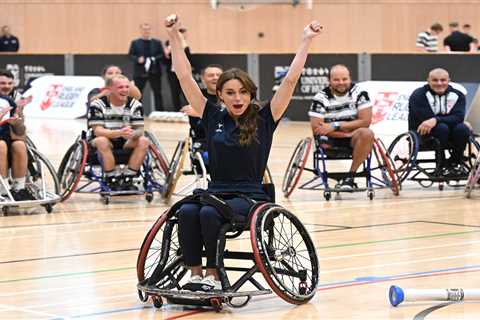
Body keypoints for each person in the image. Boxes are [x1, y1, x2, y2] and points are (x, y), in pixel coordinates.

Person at [165, 13, 322, 291]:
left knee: (208, 215)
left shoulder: (265, 117)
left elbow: (289, 81)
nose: (237, 98)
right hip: (216, 191)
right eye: (230, 93)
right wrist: (175, 35)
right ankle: (196, 276)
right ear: (220, 96)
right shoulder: (212, 116)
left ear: (250, 95)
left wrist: (305, 40)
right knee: (188, 211)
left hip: (250, 197)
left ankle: (213, 277)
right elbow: (183, 75)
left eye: (243, 93)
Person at [308, 64, 374, 190]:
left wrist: (335, 125)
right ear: (329, 81)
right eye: (336, 80)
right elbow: (317, 129)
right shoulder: (320, 98)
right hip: (331, 139)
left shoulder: (360, 93)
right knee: (323, 139)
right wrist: (345, 132)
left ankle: (350, 177)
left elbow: (365, 121)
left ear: (350, 79)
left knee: (367, 134)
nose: (341, 83)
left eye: (344, 79)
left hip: (353, 138)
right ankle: (347, 178)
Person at [88, 74, 150, 190]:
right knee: (102, 141)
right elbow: (98, 131)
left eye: (127, 87)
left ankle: (128, 177)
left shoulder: (135, 104)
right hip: (105, 139)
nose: (125, 90)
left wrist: (133, 134)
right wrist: (118, 133)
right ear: (110, 89)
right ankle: (112, 178)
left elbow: (139, 130)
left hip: (127, 140)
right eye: (120, 87)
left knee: (144, 140)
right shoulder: (97, 104)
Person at [408, 68, 470, 176]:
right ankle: (440, 164)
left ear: (448, 80)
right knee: (441, 128)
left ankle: (455, 162)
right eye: (435, 80)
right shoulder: (418, 95)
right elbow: (425, 119)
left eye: (443, 80)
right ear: (428, 81)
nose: (439, 83)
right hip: (423, 133)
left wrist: (436, 119)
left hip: (450, 132)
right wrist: (441, 120)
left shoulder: (458, 95)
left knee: (462, 128)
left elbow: (459, 117)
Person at [0, 94, 33, 200]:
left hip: (5, 147)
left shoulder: (7, 101)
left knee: (19, 144)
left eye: (9, 83)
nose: (6, 86)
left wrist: (18, 124)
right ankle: (3, 189)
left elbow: (21, 135)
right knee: (1, 145)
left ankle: (19, 189)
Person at [128, 23, 165, 111]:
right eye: (144, 29)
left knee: (157, 93)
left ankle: (160, 112)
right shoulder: (135, 42)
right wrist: (137, 59)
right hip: (140, 72)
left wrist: (153, 59)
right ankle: (137, 112)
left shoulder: (157, 42)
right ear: (140, 30)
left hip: (154, 72)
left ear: (150, 30)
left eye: (148, 29)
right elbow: (130, 55)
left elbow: (162, 55)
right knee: (138, 93)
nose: (146, 31)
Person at [164, 28, 191, 110]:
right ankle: (177, 111)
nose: (182, 37)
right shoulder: (169, 45)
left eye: (183, 35)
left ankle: (189, 110)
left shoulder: (185, 47)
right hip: (172, 73)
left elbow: (189, 59)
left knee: (186, 92)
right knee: (174, 92)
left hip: (183, 73)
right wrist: (167, 53)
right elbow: (165, 60)